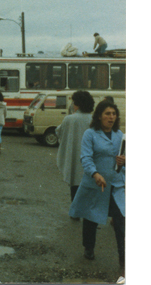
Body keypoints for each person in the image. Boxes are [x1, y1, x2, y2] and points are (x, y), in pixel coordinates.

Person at [69, 100, 124, 275]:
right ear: (99, 116)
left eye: (114, 114)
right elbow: (85, 157)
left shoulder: (119, 135)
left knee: (121, 221)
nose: (111, 117)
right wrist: (95, 173)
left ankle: (124, 262)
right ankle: (89, 247)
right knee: (91, 217)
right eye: (107, 114)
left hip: (115, 185)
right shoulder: (90, 134)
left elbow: (125, 158)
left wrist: (124, 161)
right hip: (96, 183)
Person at [55, 91, 95, 213]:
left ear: (76, 104)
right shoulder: (93, 119)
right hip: (91, 158)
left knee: (75, 185)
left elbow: (58, 131)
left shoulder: (70, 119)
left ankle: (75, 211)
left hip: (74, 155)